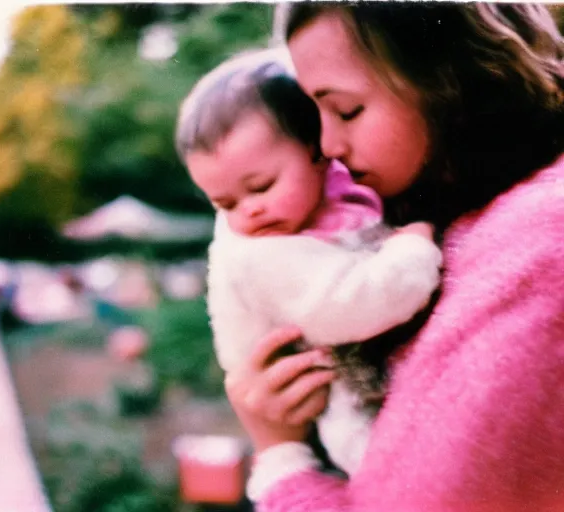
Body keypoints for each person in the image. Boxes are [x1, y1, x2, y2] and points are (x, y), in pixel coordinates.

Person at [221, 3, 564, 511]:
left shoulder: (540, 252)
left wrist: (280, 458)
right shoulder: (461, 214)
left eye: (346, 110)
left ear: (452, 80)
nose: (328, 145)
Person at [175, 48, 443, 476]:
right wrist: (413, 248)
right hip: (335, 402)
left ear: (317, 152)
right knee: (384, 455)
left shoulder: (335, 192)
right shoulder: (259, 253)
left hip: (362, 364)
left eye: (261, 186)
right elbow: (354, 305)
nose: (249, 211)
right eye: (224, 203)